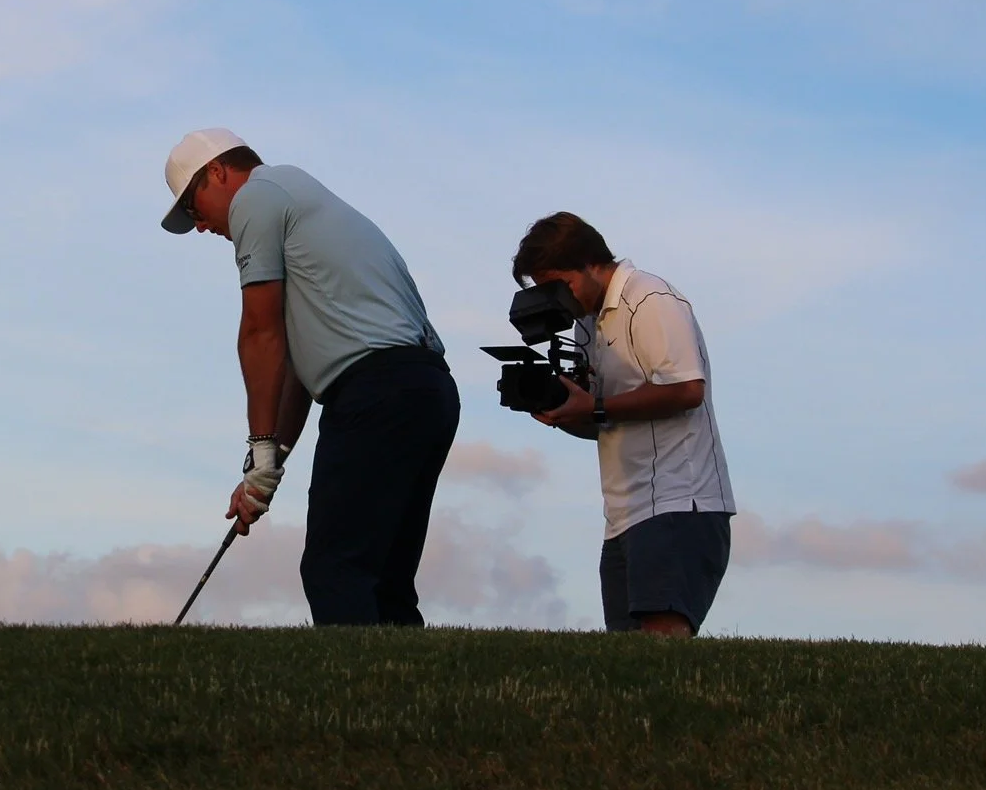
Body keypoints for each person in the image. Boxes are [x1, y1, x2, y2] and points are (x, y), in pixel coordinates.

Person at [161, 128, 458, 626]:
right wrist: (269, 463)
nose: (199, 226)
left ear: (218, 172)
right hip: (424, 389)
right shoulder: (301, 198)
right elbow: (298, 368)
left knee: (335, 568)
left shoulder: (257, 196)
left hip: (377, 391)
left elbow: (260, 334)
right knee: (384, 578)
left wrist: (259, 447)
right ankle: (406, 698)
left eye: (194, 206)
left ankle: (357, 701)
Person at [512, 212, 734, 636]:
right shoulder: (586, 322)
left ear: (591, 263)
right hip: (624, 513)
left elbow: (688, 390)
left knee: (659, 640)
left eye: (559, 283)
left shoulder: (650, 299)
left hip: (678, 500)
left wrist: (595, 409)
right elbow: (604, 417)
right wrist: (566, 413)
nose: (557, 297)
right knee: (625, 658)